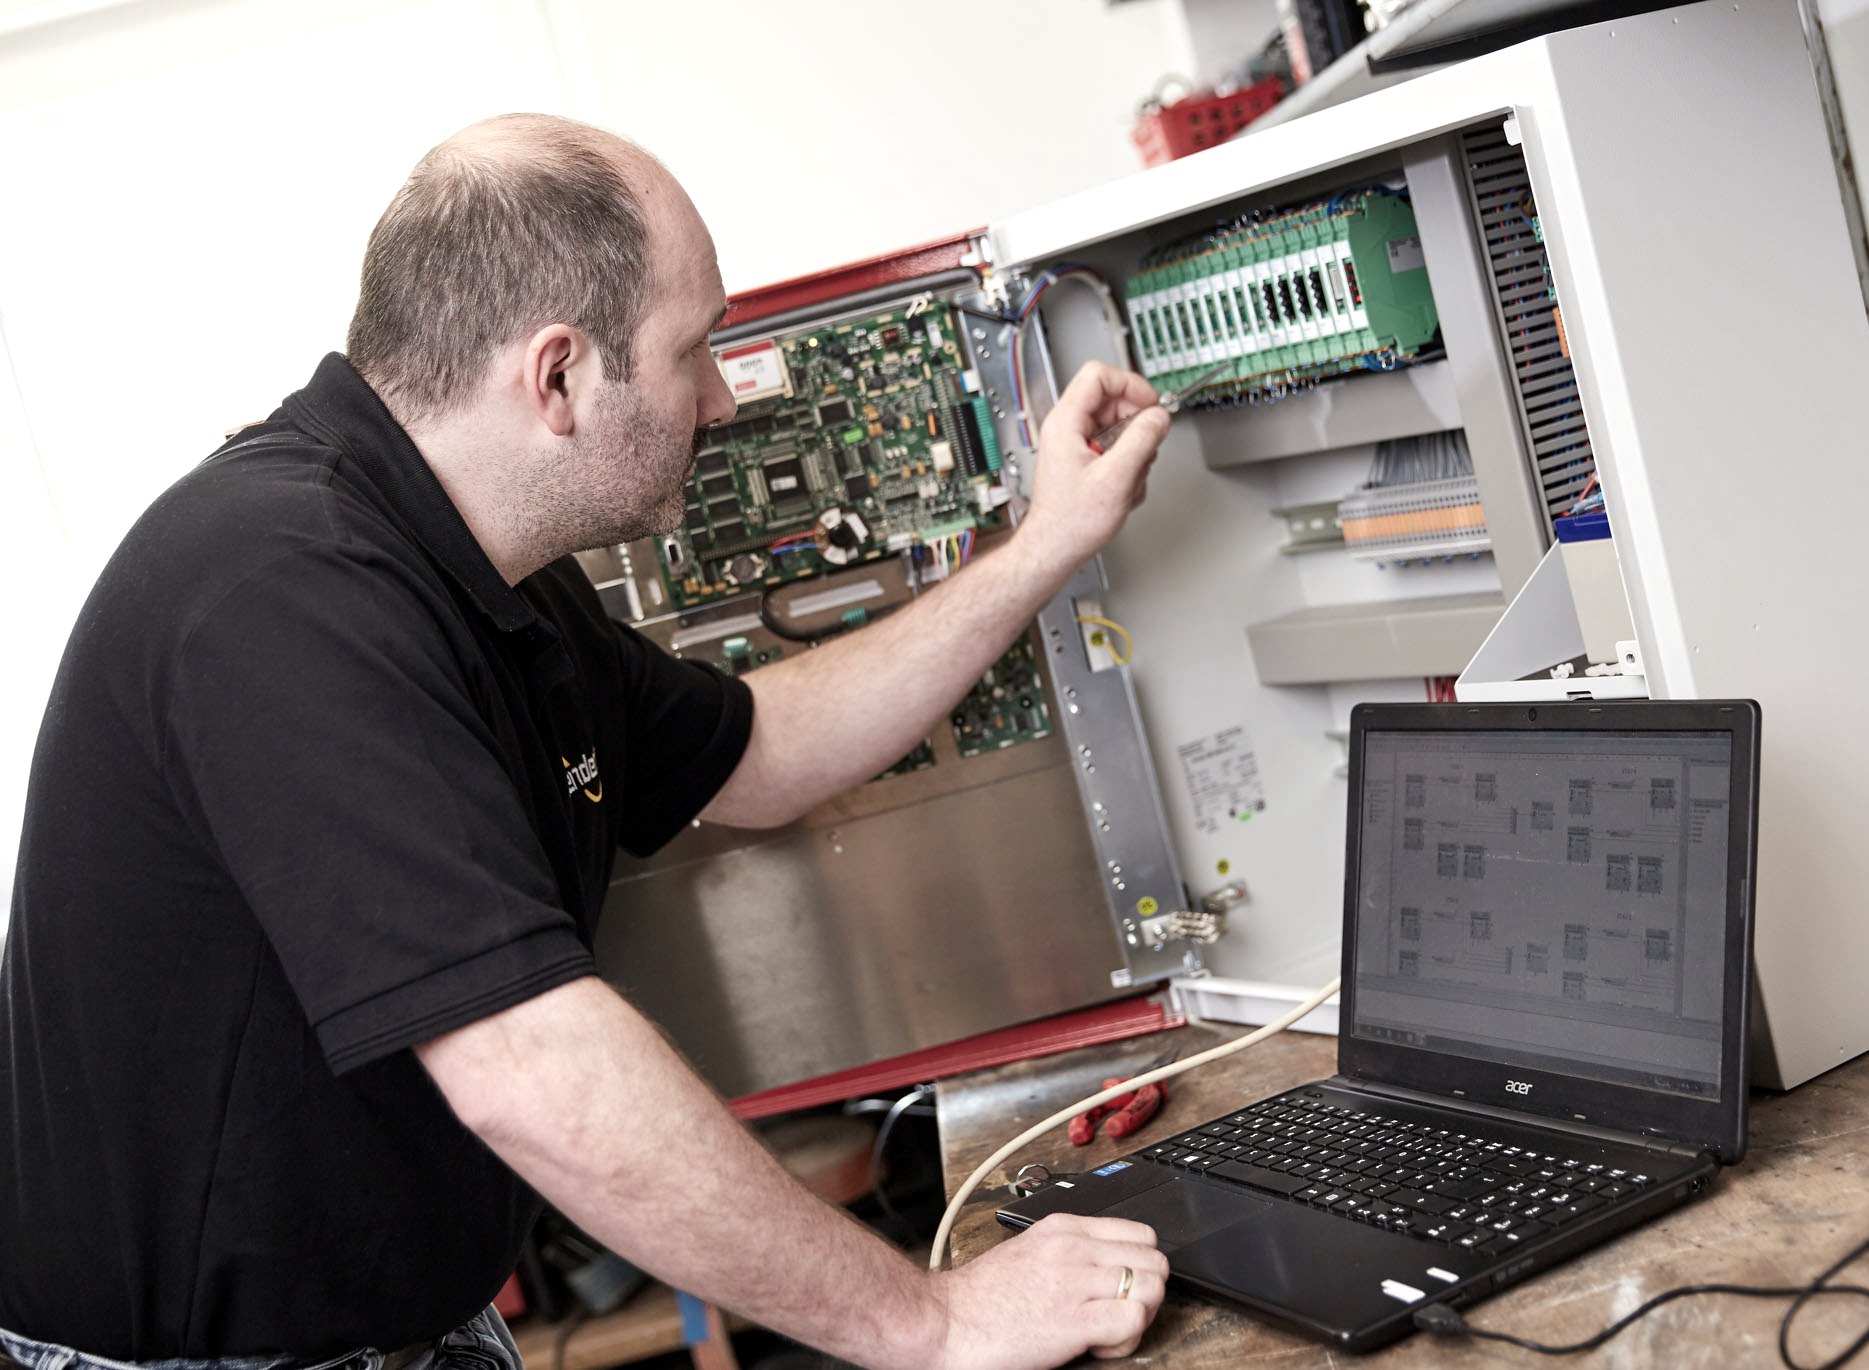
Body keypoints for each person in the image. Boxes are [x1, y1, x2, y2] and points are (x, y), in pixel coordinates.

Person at [0, 114, 1174, 1370]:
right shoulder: (280, 586)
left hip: (413, 1332)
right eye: (694, 347)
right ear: (557, 375)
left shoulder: (488, 573)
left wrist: (1046, 546)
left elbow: (759, 752)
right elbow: (528, 1060)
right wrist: (934, 1322)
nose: (721, 397)